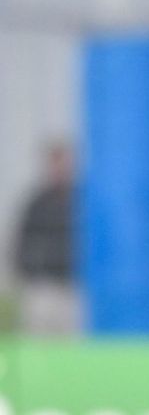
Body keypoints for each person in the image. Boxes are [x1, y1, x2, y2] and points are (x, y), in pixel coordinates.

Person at [14, 142, 81, 335]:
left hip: (73, 282)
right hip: (44, 282)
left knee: (71, 336)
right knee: (40, 335)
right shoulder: (38, 202)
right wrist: (27, 270)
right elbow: (23, 239)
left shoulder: (81, 201)